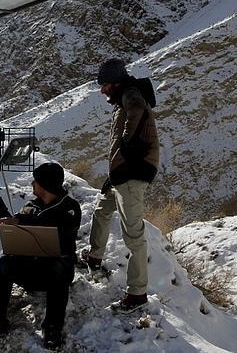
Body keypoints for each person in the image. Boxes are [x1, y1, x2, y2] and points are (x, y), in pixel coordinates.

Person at [81, 58, 160, 313]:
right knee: (102, 211)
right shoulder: (122, 98)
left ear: (115, 83)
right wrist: (113, 173)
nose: (102, 90)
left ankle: (137, 294)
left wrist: (127, 141)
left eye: (104, 85)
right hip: (123, 174)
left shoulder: (130, 93)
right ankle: (94, 256)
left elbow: (136, 109)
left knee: (133, 235)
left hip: (133, 174)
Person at [0, 162, 82, 349]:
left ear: (46, 184)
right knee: (5, 262)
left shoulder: (70, 207)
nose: (33, 184)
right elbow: (13, 223)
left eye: (36, 181)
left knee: (58, 265)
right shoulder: (31, 206)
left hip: (55, 276)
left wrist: (22, 220)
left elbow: (60, 231)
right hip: (31, 270)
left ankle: (52, 329)